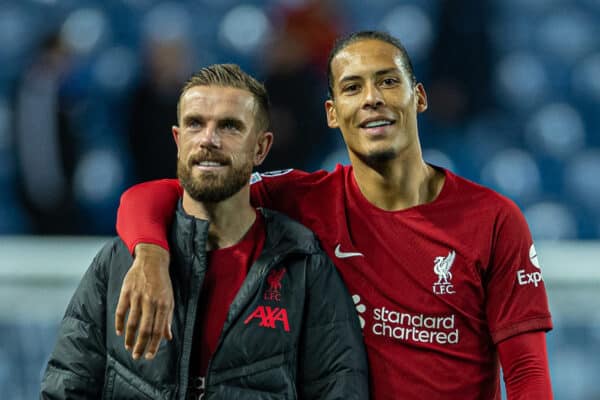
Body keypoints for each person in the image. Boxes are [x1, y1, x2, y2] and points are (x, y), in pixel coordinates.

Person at [115, 32, 554, 399]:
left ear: (418, 97)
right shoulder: (304, 200)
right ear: (332, 113)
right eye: (351, 87)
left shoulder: (493, 220)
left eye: (387, 82)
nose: (371, 99)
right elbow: (155, 196)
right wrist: (151, 256)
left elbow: (527, 374)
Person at [41, 64, 368, 399]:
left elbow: (340, 389)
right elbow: (66, 388)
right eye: (195, 124)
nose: (209, 140)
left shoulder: (303, 265)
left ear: (261, 148)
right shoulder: (119, 264)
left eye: (229, 126)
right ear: (178, 139)